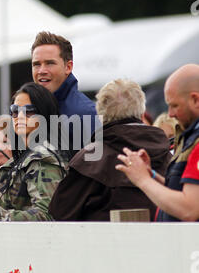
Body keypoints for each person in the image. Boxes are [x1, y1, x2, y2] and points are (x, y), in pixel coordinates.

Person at [48, 79, 171, 221]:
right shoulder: (169, 155)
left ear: (101, 116)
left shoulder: (89, 159)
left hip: (102, 241)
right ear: (142, 114)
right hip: (168, 240)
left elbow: (59, 213)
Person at [0, 82, 69, 221]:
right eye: (15, 110)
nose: (20, 116)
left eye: (29, 110)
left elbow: (46, 215)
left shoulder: (43, 159)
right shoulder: (23, 156)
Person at [115, 64, 199, 222]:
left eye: (175, 105)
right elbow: (181, 192)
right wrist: (151, 175)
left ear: (195, 99)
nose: (170, 114)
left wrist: (143, 180)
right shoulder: (190, 135)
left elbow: (189, 209)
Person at [31, 31, 99, 155]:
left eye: (50, 63)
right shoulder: (27, 111)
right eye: (36, 64)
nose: (42, 70)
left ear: (68, 67)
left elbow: (94, 168)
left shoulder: (86, 113)